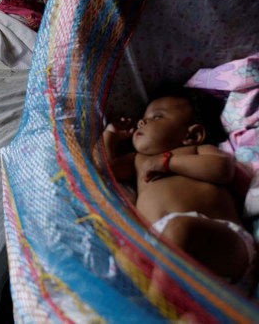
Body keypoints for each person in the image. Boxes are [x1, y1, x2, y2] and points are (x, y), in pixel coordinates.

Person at [103, 85, 257, 293]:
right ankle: (180, 312)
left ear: (192, 135)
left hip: (221, 242)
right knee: (126, 257)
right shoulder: (137, 160)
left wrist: (169, 163)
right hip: (162, 250)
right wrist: (109, 138)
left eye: (157, 117)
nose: (142, 121)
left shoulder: (197, 150)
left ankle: (155, 309)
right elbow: (104, 169)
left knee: (180, 229)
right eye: (143, 117)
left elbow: (222, 169)